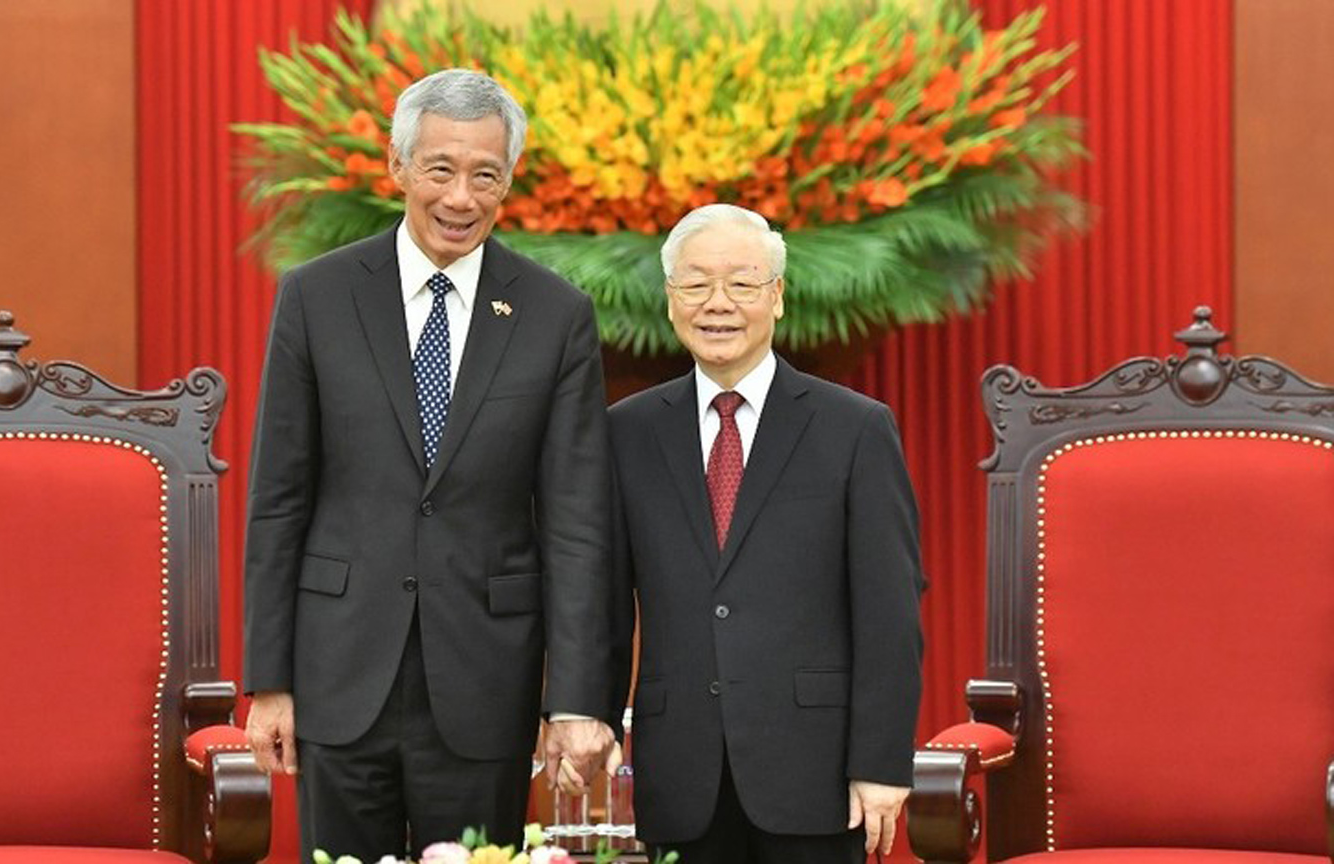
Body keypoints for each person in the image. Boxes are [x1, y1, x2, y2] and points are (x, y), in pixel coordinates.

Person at [242, 68, 614, 862]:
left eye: (486, 176)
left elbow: (579, 522)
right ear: (398, 166)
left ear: (509, 181)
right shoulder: (317, 296)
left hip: (487, 679)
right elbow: (279, 497)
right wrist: (268, 681)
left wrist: (576, 698)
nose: (461, 198)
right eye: (441, 170)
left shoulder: (556, 316)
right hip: (339, 672)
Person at [608, 204, 924, 864]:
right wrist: (592, 719)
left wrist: (882, 763)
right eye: (695, 284)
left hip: (817, 774)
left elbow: (888, 611)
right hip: (681, 774)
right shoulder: (626, 433)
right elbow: (603, 602)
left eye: (742, 284)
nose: (716, 303)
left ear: (776, 298)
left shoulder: (854, 429)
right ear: (671, 301)